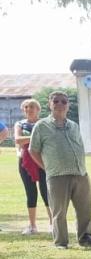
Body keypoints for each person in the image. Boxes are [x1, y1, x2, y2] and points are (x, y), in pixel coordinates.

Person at [28, 91, 91, 248]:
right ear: (50, 104)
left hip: (80, 173)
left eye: (64, 102)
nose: (60, 104)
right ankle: (61, 241)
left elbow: (79, 146)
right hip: (57, 175)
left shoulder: (74, 126)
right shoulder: (41, 126)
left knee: (84, 209)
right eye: (56, 101)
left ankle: (86, 237)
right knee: (59, 211)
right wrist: (46, 167)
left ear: (68, 105)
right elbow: (33, 150)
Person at [14, 99, 50, 234]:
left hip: (42, 160)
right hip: (25, 162)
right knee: (31, 193)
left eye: (32, 107)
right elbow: (17, 140)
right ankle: (32, 226)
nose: (28, 109)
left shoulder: (44, 123)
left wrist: (27, 139)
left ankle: (53, 224)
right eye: (26, 107)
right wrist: (36, 138)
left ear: (38, 109)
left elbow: (48, 140)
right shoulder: (20, 124)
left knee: (46, 192)